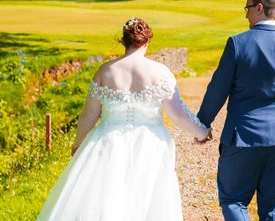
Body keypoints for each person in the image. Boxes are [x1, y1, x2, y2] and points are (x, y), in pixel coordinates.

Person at [37, 17, 210, 221]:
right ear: (147, 41)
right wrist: (202, 132)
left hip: (107, 143)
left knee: (106, 199)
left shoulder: (105, 71)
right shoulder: (160, 72)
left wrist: (78, 145)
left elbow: (88, 115)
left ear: (123, 41)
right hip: (151, 144)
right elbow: (178, 114)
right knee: (146, 200)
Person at [197, 0, 275, 221]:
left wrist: (202, 124)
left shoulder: (238, 44)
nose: (246, 15)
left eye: (247, 8)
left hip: (243, 137)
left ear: (259, 7)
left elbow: (218, 89)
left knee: (233, 200)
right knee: (273, 210)